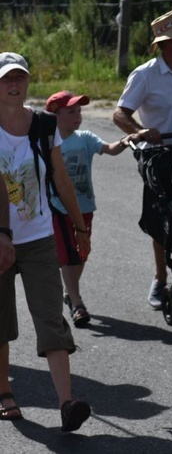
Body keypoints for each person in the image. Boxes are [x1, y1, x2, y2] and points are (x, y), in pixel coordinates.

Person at [0, 52, 92, 431]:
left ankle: (66, 403)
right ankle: (5, 392)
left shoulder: (43, 124)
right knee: (0, 320)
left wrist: (78, 226)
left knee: (51, 317)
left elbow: (59, 176)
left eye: (20, 77)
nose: (14, 84)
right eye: (7, 79)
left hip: (37, 236)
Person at [112, 8, 172, 309]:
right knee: (164, 216)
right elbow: (120, 113)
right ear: (171, 42)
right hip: (160, 155)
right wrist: (141, 131)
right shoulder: (145, 75)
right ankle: (162, 276)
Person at [46, 91, 144, 328]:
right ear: (55, 115)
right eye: (71, 112)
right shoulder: (48, 141)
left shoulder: (85, 138)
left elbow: (109, 148)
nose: (77, 115)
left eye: (79, 111)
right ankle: (77, 303)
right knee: (68, 255)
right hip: (58, 207)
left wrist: (125, 140)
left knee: (81, 254)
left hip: (85, 207)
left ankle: (71, 292)